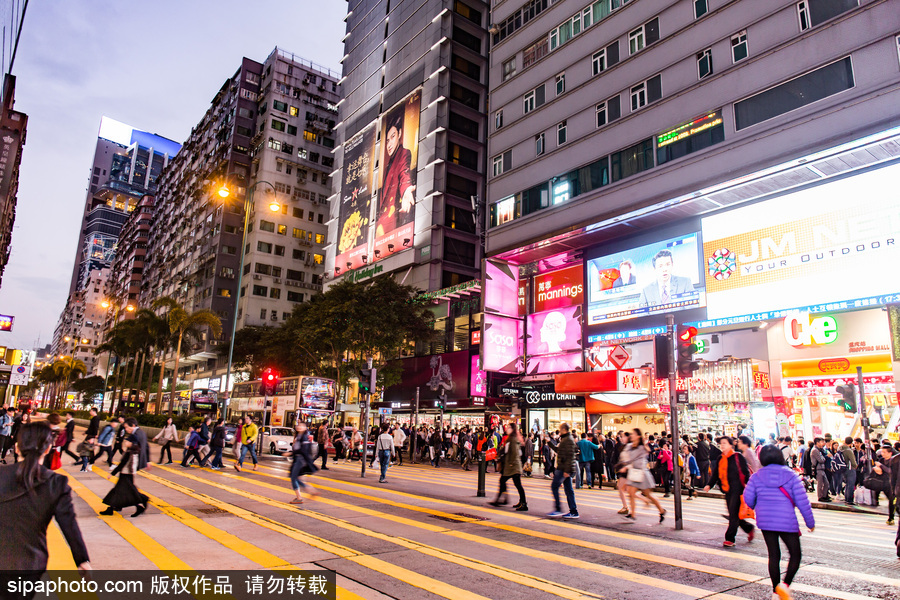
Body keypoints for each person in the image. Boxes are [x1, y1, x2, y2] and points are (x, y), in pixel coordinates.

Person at [0, 421, 91, 585]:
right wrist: (82, 560)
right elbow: (69, 524)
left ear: (18, 448)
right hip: (29, 563)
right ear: (48, 449)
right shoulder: (57, 482)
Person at [743, 444, 815, 600]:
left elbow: (748, 499)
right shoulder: (791, 476)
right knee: (795, 554)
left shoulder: (756, 476)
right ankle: (785, 585)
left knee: (774, 555)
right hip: (787, 521)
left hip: (765, 521)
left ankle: (776, 591)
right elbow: (803, 502)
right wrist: (810, 523)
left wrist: (760, 506)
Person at [704, 436, 755, 547]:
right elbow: (715, 474)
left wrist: (749, 486)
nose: (722, 445)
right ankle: (748, 528)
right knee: (734, 514)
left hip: (738, 489)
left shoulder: (738, 456)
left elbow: (746, 472)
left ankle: (730, 538)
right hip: (727, 490)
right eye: (721, 443)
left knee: (733, 515)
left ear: (731, 445)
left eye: (724, 443)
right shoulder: (720, 458)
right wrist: (709, 485)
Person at [375, 111, 415, 239]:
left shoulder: (403, 154)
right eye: (387, 140)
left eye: (393, 137)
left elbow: (405, 174)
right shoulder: (387, 165)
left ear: (400, 134)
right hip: (382, 230)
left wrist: (407, 190)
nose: (389, 144)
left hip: (393, 228)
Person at [102, 418, 149, 517]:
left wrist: (112, 473)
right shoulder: (141, 433)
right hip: (131, 469)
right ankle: (114, 507)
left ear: (132, 425)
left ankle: (141, 501)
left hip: (127, 470)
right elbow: (146, 447)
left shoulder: (134, 441)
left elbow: (123, 462)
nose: (126, 430)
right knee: (123, 490)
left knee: (127, 490)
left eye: (127, 427)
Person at [619, 428, 666, 523]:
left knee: (649, 494)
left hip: (642, 473)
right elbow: (627, 458)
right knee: (631, 493)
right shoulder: (629, 446)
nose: (631, 435)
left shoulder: (642, 448)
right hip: (634, 473)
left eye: (633, 434)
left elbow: (638, 461)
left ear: (638, 436)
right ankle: (633, 514)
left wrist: (627, 465)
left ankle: (661, 510)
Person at [489, 424, 528, 511]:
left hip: (513, 467)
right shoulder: (511, 438)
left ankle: (523, 503)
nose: (506, 428)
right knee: (508, 482)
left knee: (514, 484)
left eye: (509, 427)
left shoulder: (513, 439)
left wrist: (511, 464)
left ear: (512, 429)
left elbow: (514, 453)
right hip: (511, 466)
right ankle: (513, 501)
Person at [547, 423, 578, 519]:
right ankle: (573, 511)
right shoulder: (565, 439)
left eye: (560, 429)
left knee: (555, 486)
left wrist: (567, 471)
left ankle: (558, 509)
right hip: (564, 468)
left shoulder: (568, 440)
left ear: (564, 429)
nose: (559, 431)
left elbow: (570, 456)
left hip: (563, 468)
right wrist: (549, 443)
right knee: (568, 490)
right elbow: (559, 450)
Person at [285, 421, 318, 504]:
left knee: (293, 477)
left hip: (300, 459)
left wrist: (291, 453)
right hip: (298, 459)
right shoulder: (300, 436)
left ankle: (300, 497)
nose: (299, 427)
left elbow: (302, 450)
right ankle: (310, 490)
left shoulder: (304, 437)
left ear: (305, 428)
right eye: (298, 425)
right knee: (295, 477)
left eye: (302, 426)